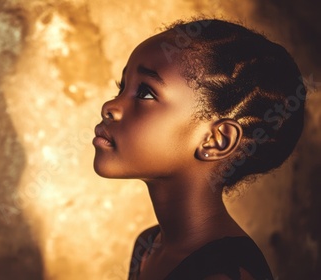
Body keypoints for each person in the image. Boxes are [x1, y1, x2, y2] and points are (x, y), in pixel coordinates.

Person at [92, 18, 307, 280]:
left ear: (216, 140)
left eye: (145, 93)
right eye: (122, 87)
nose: (110, 106)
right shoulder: (149, 246)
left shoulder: (224, 274)